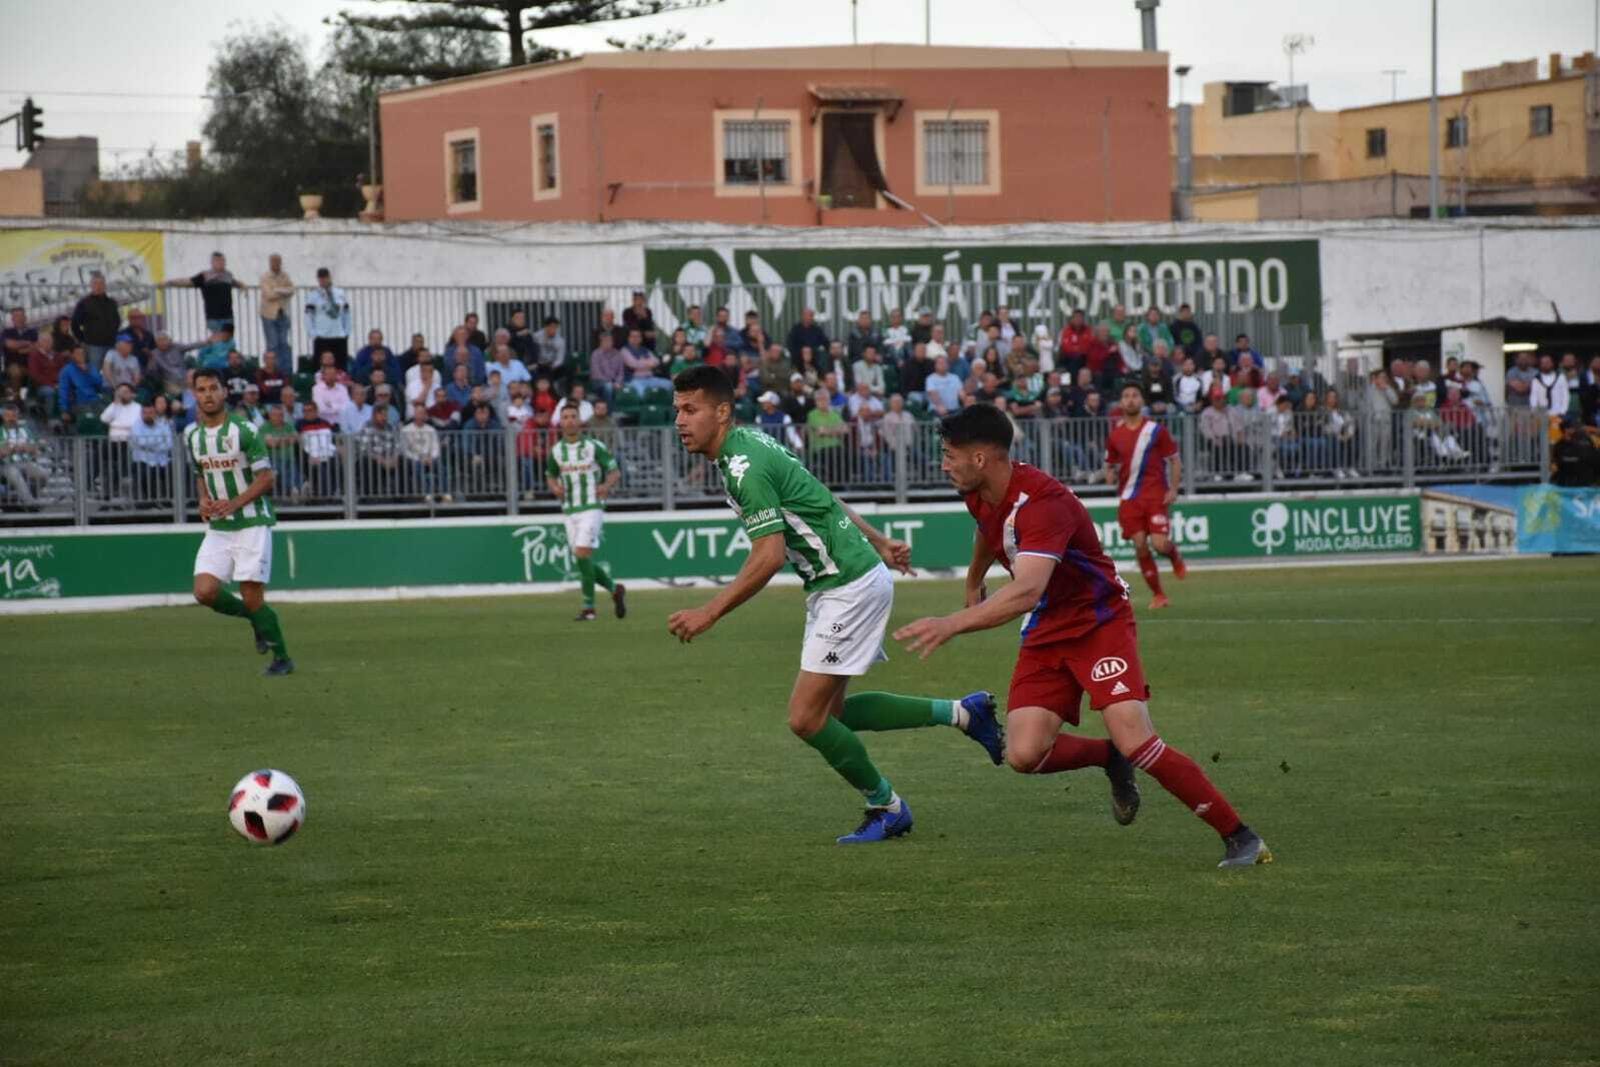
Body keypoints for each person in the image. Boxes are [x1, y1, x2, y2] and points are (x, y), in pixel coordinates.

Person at [892, 403, 1271, 868]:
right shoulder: (979, 490)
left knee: (1138, 739)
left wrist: (950, 622)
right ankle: (1109, 758)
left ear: (981, 458)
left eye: (950, 454)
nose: (943, 462)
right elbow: (988, 528)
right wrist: (974, 578)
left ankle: (1241, 837)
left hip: (1097, 621)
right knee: (1024, 754)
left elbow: (1028, 590)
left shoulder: (1044, 504)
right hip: (1048, 629)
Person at [666, 365, 1003, 844]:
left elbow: (769, 556)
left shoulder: (745, 466)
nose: (680, 420)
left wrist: (709, 612)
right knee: (833, 716)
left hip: (846, 584)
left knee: (806, 718)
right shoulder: (752, 444)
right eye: (677, 409)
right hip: (843, 579)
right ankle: (965, 714)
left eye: (690, 409)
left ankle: (887, 807)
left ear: (722, 412)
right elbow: (818, 497)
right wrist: (880, 540)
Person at [184, 367, 293, 676]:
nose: (208, 394)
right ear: (195, 394)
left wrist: (233, 503)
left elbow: (267, 477)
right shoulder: (193, 436)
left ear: (223, 392)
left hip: (251, 522)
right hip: (219, 526)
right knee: (204, 592)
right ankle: (255, 619)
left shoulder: (244, 430)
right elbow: (200, 474)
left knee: (251, 594)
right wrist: (203, 500)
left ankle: (282, 658)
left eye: (213, 388)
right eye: (201, 389)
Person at [1105, 383, 1186, 609]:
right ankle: (1159, 595)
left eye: (1134, 395)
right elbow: (1110, 464)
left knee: (1159, 544)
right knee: (1140, 545)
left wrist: (1174, 488)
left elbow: (1174, 459)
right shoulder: (1115, 436)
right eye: (1126, 396)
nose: (1130, 399)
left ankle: (1174, 555)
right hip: (1129, 498)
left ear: (1141, 401)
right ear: (1121, 403)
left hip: (1155, 495)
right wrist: (1109, 475)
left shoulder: (1155, 430)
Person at [545, 405, 627, 621]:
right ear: (560, 422)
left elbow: (614, 471)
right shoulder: (556, 451)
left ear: (580, 421)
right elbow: (550, 475)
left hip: (591, 507)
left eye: (573, 417)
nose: (570, 421)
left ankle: (589, 608)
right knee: (582, 560)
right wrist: (554, 487)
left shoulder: (593, 446)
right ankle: (614, 588)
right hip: (569, 509)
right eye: (566, 417)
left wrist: (606, 486)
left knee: (582, 555)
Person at [164, 251, 244, 330]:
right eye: (218, 261)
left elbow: (234, 282)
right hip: (213, 317)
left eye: (223, 260)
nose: (221, 263)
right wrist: (170, 282)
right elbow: (188, 281)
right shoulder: (205, 275)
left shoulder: (228, 275)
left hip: (228, 316)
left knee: (228, 340)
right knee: (218, 340)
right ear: (212, 262)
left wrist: (242, 285)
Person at [0, 404, 49, 507]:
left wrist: (15, 448)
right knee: (15, 474)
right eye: (8, 416)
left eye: (14, 416)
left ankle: (28, 497)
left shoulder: (25, 429)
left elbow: (34, 448)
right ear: (3, 417)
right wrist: (15, 448)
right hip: (5, 464)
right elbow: (2, 452)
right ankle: (30, 504)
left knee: (44, 474)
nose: (12, 419)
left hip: (25, 462)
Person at [72, 272, 121, 369]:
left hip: (111, 344)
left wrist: (113, 333)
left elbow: (117, 320)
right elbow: (75, 324)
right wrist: (83, 339)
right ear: (91, 285)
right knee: (94, 373)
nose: (98, 286)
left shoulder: (112, 302)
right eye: (95, 284)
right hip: (93, 346)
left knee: (112, 371)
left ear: (105, 285)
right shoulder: (84, 303)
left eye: (101, 284)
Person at [304, 268, 351, 369]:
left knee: (341, 367)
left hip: (339, 336)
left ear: (329, 277)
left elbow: (346, 314)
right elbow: (308, 316)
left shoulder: (340, 293)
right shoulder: (313, 295)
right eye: (321, 278)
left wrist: (346, 332)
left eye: (325, 277)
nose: (323, 280)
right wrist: (313, 333)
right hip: (322, 337)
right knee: (320, 368)